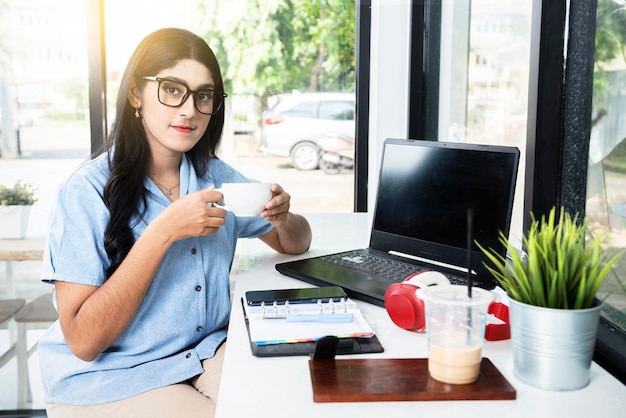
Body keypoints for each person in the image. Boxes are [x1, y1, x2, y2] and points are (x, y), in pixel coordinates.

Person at [37, 27, 312, 418]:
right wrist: (164, 231)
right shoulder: (84, 192)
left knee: (288, 400)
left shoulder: (216, 177)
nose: (188, 109)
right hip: (112, 374)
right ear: (136, 93)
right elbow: (83, 340)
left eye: (203, 95)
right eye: (171, 89)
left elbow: (296, 242)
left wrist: (283, 217)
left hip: (201, 353)